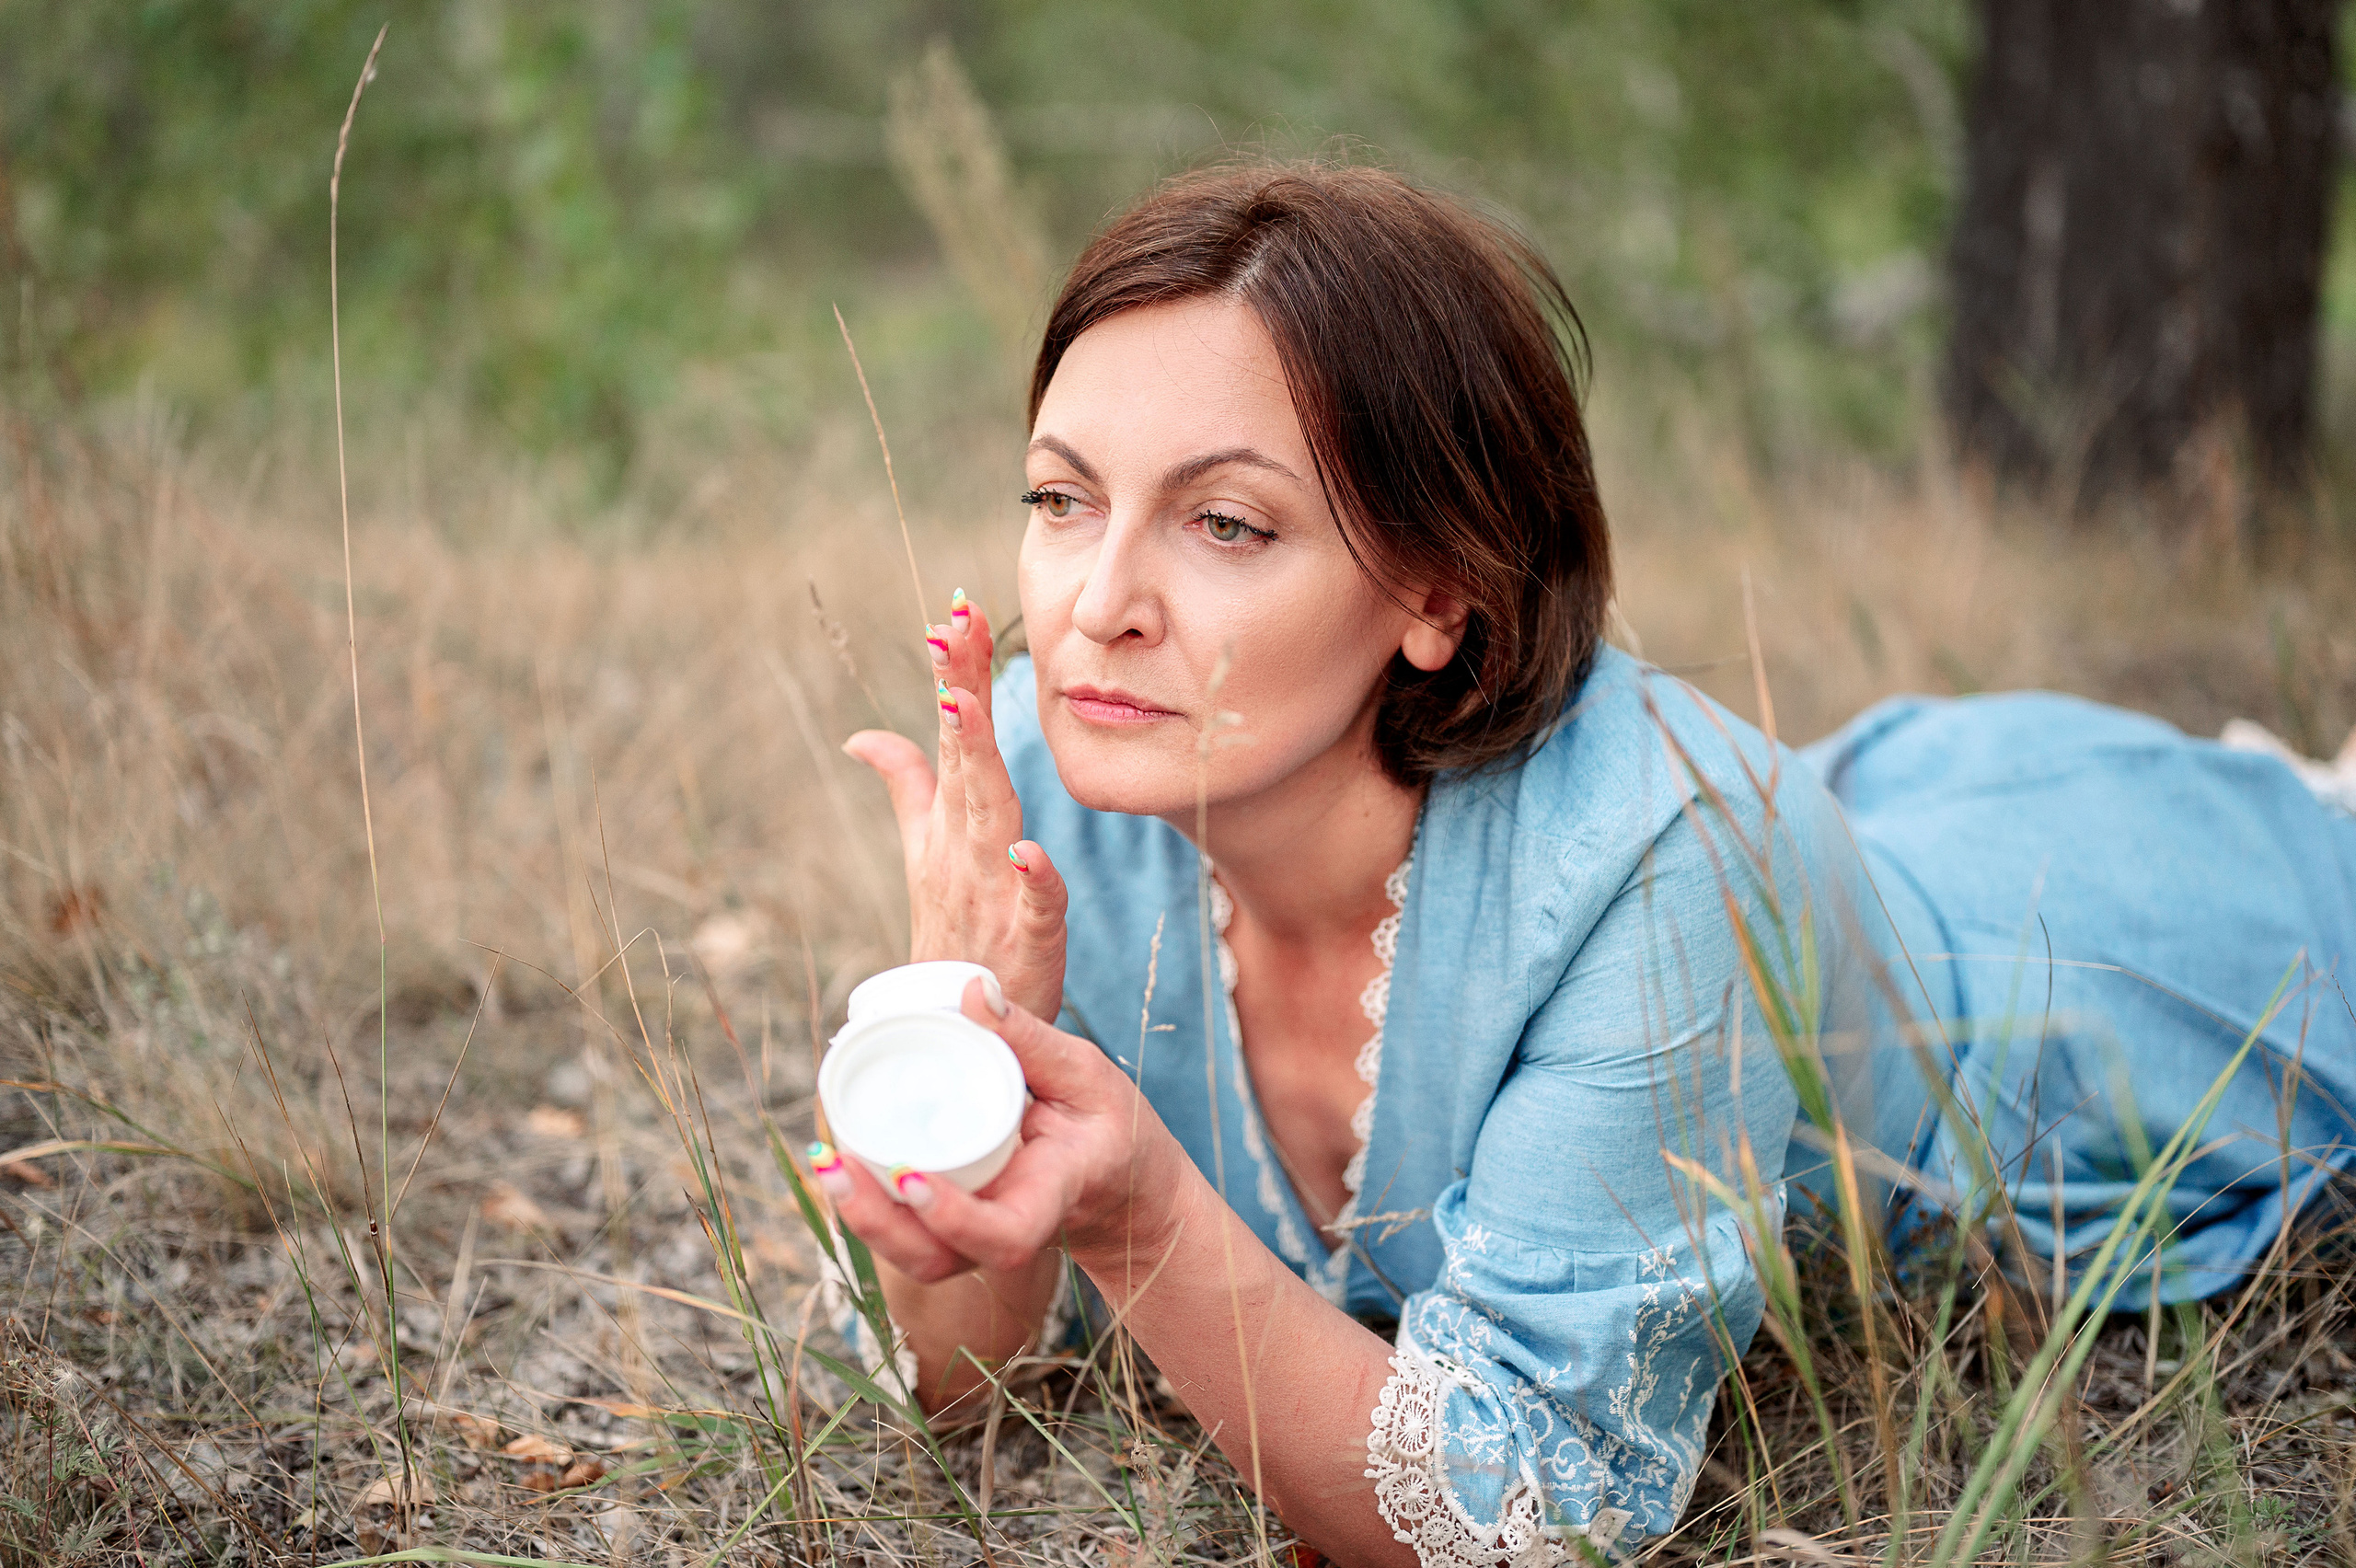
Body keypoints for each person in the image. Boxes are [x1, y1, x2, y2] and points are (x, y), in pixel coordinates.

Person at [813, 160, 2356, 1564]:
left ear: (1436, 588)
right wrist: (962, 1066)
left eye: (1224, 523)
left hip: (2103, 969)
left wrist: (1144, 1218)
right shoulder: (1040, 772)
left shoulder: (1663, 863)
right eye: (1063, 499)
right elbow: (970, 1392)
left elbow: (1522, 1511)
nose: (1098, 603)